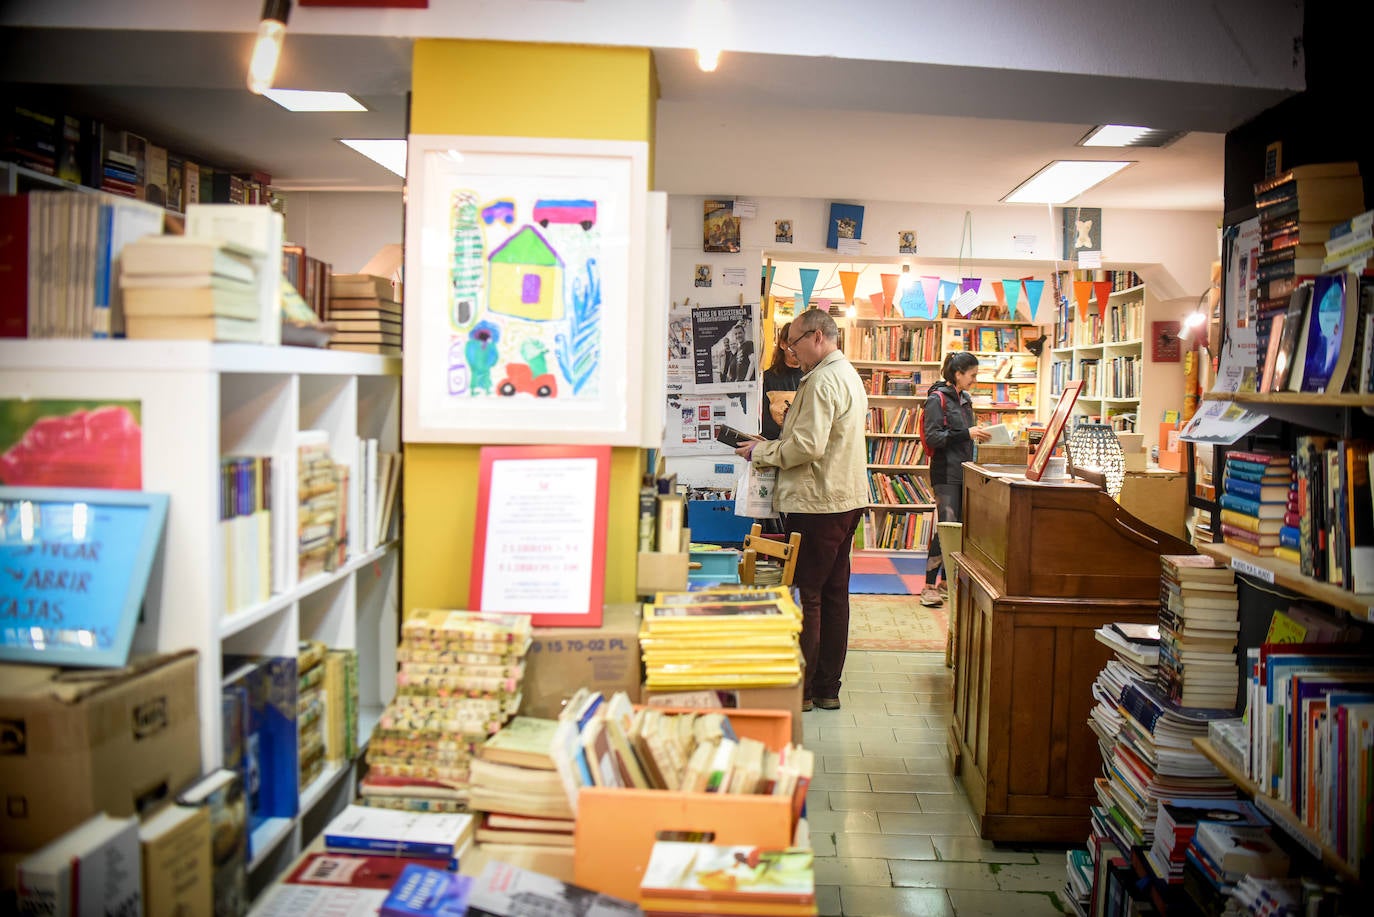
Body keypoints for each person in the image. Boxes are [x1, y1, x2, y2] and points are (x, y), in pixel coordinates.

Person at [735, 309, 868, 712]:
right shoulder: (847, 373)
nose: (791, 352)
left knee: (808, 593)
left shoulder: (822, 379)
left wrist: (763, 452)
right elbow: (813, 438)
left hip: (817, 501)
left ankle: (805, 691)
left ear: (816, 337)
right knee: (833, 594)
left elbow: (808, 447)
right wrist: (772, 443)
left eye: (793, 343)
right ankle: (828, 688)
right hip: (843, 498)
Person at [919, 350, 991, 607]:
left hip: (965, 471)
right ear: (958, 374)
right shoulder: (936, 399)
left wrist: (976, 434)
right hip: (945, 472)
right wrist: (967, 433)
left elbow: (962, 434)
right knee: (946, 526)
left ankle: (946, 582)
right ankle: (928, 585)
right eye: (972, 374)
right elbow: (934, 437)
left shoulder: (965, 399)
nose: (975, 379)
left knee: (959, 527)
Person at [760, 322, 805, 440]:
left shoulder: (811, 377)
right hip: (774, 445)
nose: (797, 349)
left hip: (803, 444)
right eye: (793, 344)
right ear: (783, 344)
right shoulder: (767, 378)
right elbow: (763, 419)